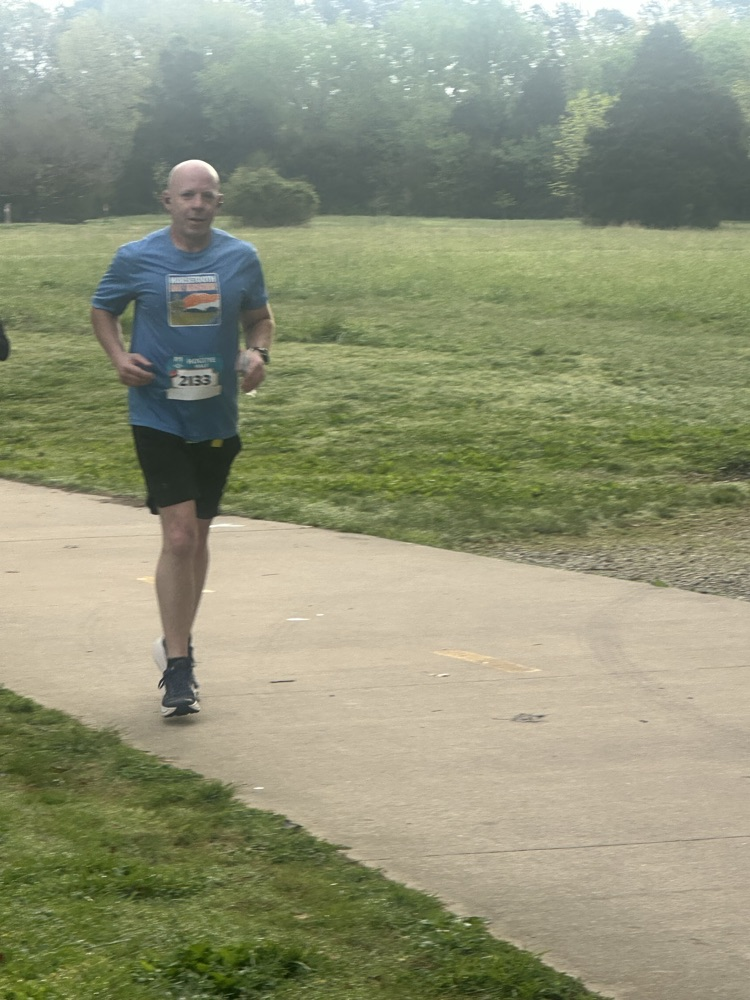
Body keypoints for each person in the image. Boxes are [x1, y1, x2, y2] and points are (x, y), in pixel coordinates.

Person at [91, 160, 274, 719]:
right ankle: (178, 667)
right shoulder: (136, 257)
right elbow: (104, 310)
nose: (197, 204)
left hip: (216, 420)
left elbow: (259, 318)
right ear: (166, 201)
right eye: (187, 195)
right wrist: (120, 357)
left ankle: (178, 641)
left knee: (195, 534)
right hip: (156, 413)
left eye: (207, 196)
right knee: (177, 538)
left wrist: (258, 353)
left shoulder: (240, 257)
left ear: (219, 204)